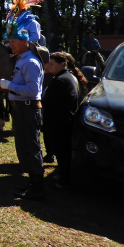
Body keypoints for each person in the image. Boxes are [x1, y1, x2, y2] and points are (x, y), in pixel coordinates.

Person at [0, 25, 45, 200]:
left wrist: (9, 86)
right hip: (20, 108)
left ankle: (38, 188)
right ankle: (32, 182)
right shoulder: (20, 59)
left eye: (14, 41)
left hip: (28, 108)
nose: (10, 44)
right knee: (24, 146)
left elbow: (33, 91)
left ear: (25, 42)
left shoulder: (31, 62)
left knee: (31, 147)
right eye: (9, 41)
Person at [42, 52, 85, 189]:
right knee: (62, 152)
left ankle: (64, 180)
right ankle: (62, 174)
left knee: (62, 153)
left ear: (62, 64)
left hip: (59, 122)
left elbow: (48, 101)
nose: (49, 66)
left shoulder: (60, 80)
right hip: (64, 120)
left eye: (52, 64)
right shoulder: (68, 77)